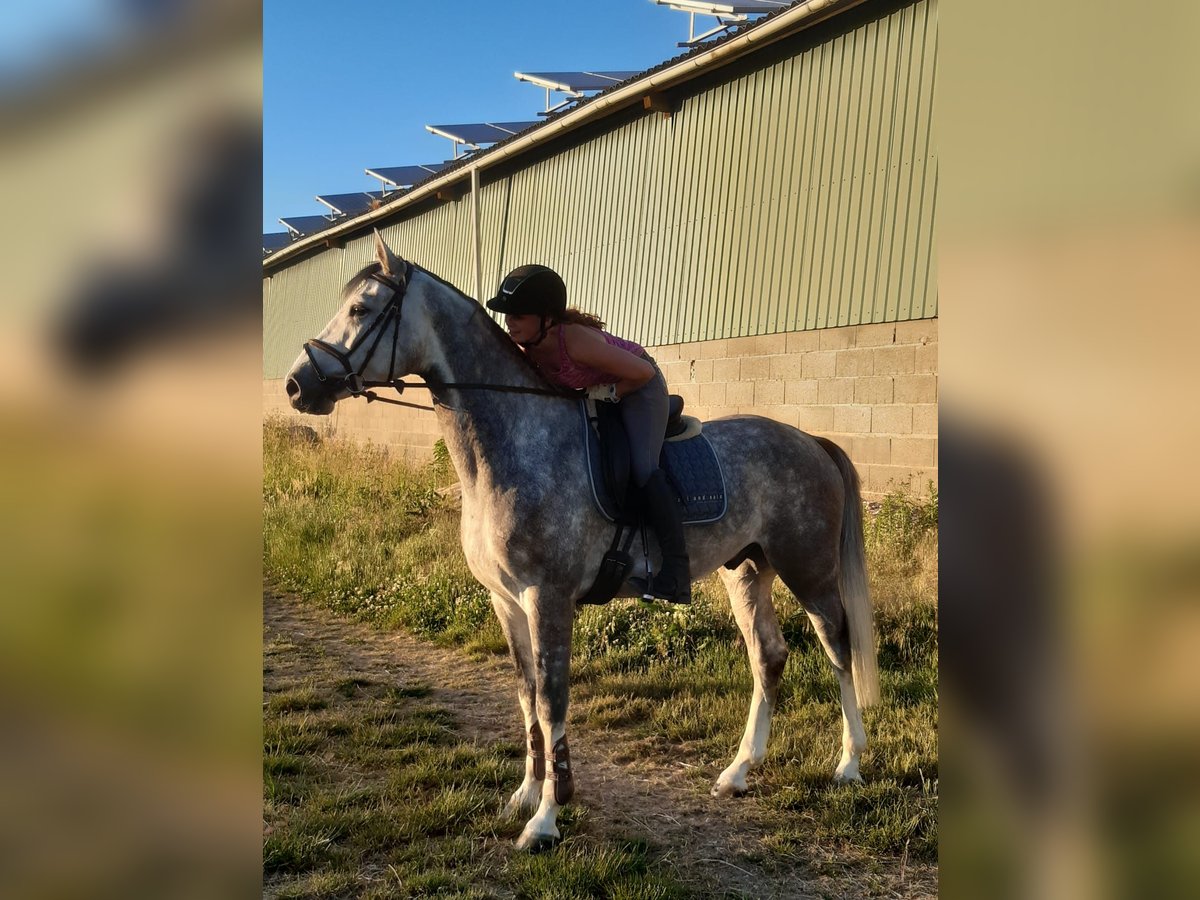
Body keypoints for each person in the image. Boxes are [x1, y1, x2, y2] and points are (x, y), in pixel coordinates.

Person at [487, 264, 691, 604]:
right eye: (508, 315)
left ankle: (676, 573)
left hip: (638, 387)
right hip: (598, 391)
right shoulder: (527, 346)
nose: (510, 322)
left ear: (547, 318)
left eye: (518, 315)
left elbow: (640, 372)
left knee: (643, 468)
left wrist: (604, 394)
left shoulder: (576, 342)